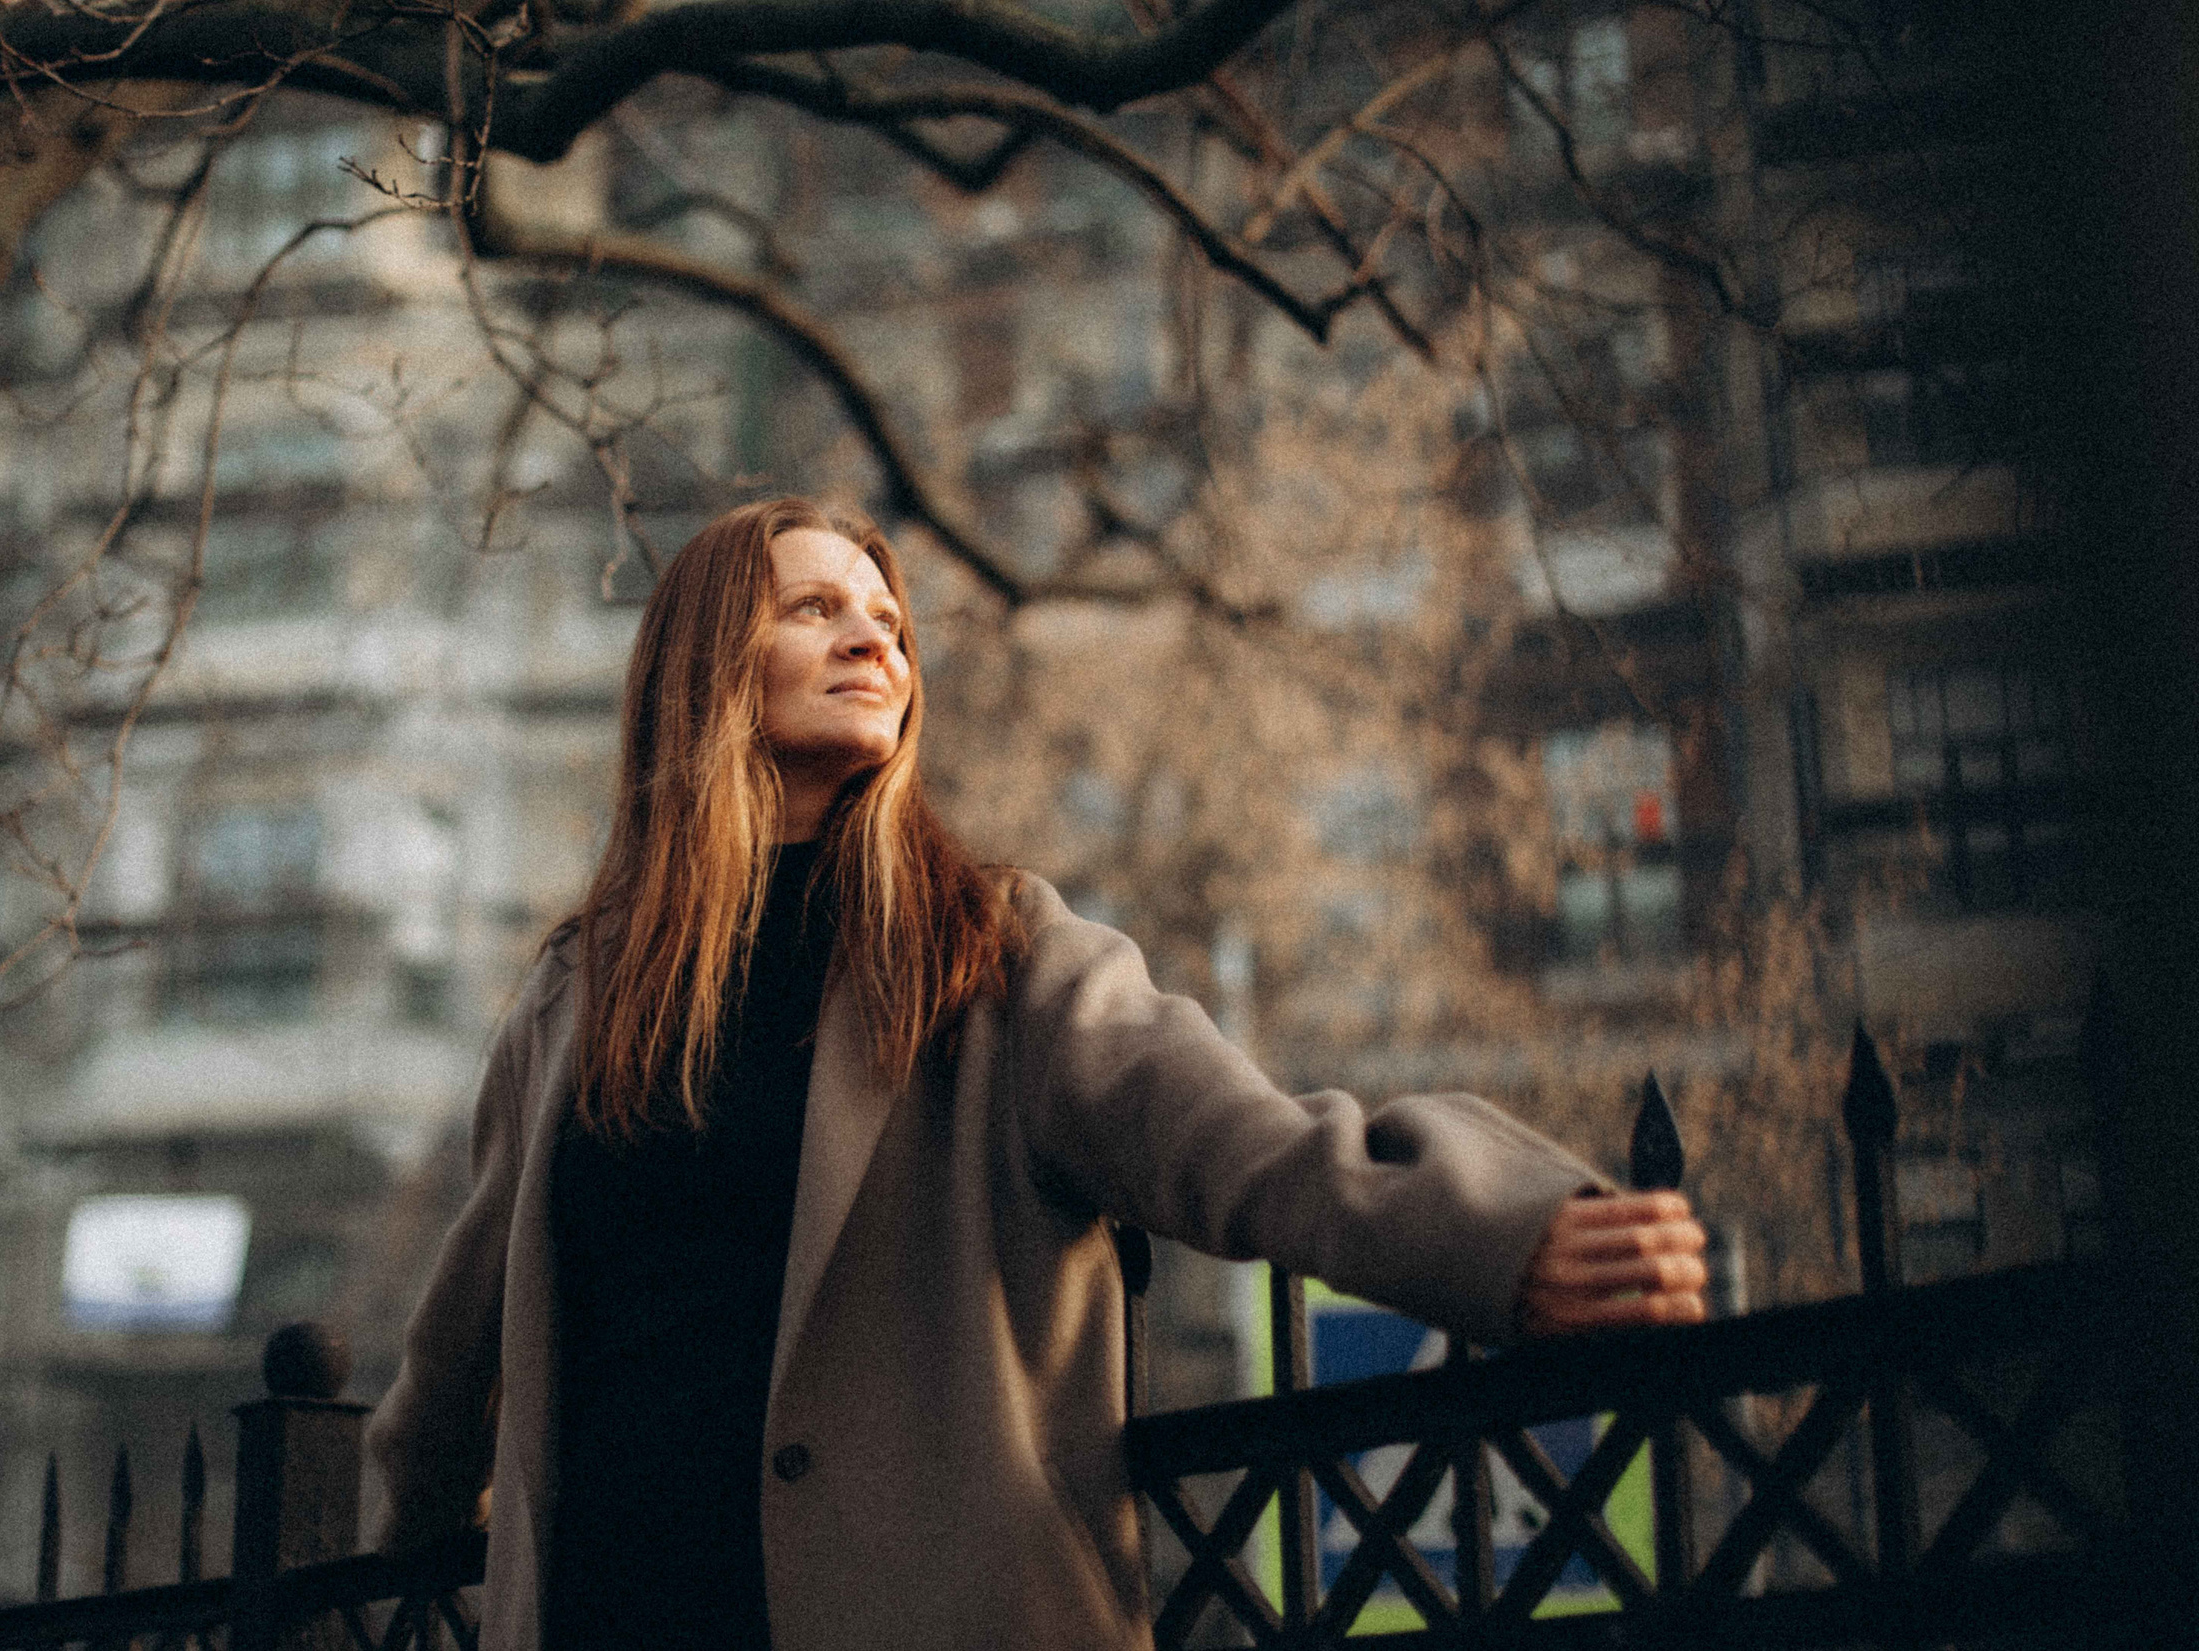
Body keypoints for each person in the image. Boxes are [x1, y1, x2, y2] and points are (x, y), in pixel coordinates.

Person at [369, 497, 1707, 1651]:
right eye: (817, 608)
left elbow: (1242, 1146)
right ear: (708, 660)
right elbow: (458, 1352)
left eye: (889, 622)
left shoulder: (991, 955)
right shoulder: (575, 997)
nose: (873, 639)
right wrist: (385, 1570)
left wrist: (1499, 1235)